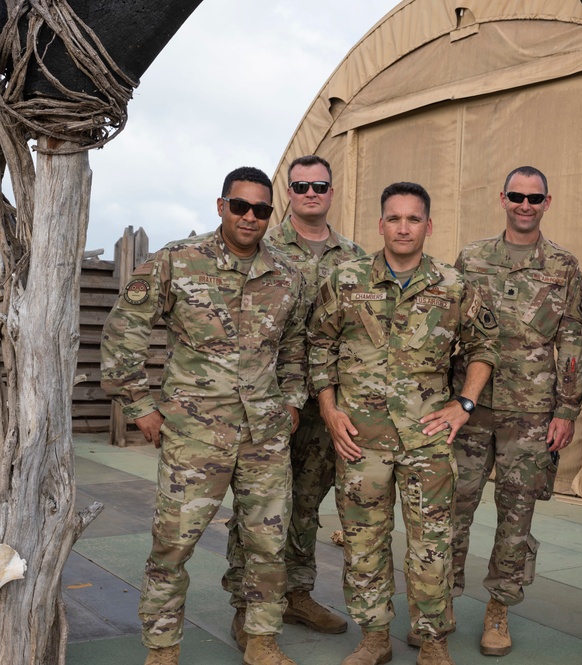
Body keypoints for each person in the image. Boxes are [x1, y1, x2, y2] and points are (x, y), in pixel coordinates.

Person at [101, 167, 307, 665]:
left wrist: (294, 402)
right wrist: (141, 407)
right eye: (241, 206)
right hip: (196, 434)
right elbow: (124, 329)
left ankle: (260, 638)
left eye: (261, 210)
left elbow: (298, 346)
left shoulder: (287, 275)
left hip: (265, 436)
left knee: (267, 545)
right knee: (173, 546)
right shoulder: (177, 261)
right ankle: (162, 648)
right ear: (221, 207)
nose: (250, 217)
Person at [309, 181, 499, 665]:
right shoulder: (347, 279)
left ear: (428, 226)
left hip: (427, 440)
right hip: (360, 442)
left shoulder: (454, 286)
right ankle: (374, 638)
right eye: (394, 218)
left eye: (413, 219)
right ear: (381, 225)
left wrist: (465, 404)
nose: (403, 227)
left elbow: (484, 347)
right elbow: (318, 345)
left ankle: (432, 641)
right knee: (363, 544)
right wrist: (329, 411)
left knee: (431, 546)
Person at [222, 155, 364, 646]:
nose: (310, 193)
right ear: (288, 192)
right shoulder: (262, 245)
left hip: (326, 405)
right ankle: (247, 606)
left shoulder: (355, 258)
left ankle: (297, 594)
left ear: (331, 191)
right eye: (300, 185)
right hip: (269, 403)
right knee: (258, 508)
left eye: (319, 185)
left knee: (305, 504)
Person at [449, 165, 582, 657]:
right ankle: (440, 603)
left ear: (547, 202)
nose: (525, 205)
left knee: (516, 517)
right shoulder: (471, 258)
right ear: (502, 198)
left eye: (534, 198)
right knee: (452, 509)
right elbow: (450, 331)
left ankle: (499, 609)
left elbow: (572, 339)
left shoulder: (563, 266)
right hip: (471, 410)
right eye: (516, 196)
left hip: (530, 415)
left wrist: (567, 410)